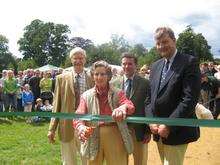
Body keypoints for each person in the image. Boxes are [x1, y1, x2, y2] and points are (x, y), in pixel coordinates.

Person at [145, 27, 201, 165]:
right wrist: (151, 121)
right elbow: (149, 100)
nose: (161, 46)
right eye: (158, 43)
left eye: (165, 41)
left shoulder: (189, 62)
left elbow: (189, 99)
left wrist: (169, 125)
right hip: (158, 131)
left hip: (177, 131)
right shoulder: (155, 66)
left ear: (174, 41)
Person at [73, 60, 135, 165]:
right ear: (92, 76)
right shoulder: (86, 96)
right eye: (96, 74)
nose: (99, 77)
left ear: (109, 76)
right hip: (92, 134)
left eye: (103, 74)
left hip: (114, 134)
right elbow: (78, 115)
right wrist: (81, 127)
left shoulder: (118, 93)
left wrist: (123, 108)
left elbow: (130, 106)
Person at [47, 47, 93, 165]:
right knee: (68, 161)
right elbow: (57, 104)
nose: (78, 60)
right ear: (71, 59)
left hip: (86, 125)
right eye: (75, 58)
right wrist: (52, 129)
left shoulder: (92, 78)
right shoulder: (61, 78)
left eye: (81, 58)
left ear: (85, 59)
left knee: (87, 160)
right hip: (66, 126)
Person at [111, 53, 150, 165]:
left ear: (136, 65)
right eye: (124, 64)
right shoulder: (113, 84)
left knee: (140, 162)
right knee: (120, 161)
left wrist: (148, 131)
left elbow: (148, 107)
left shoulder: (146, 83)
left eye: (130, 64)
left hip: (139, 131)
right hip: (119, 130)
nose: (127, 66)